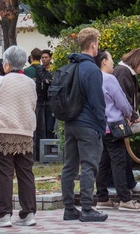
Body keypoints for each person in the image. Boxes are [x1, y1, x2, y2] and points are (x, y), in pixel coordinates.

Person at [0, 45, 39, 228]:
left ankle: (4, 214)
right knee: (26, 173)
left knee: (5, 174)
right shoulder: (30, 82)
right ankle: (28, 213)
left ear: (6, 64)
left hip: (1, 131)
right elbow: (33, 105)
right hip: (24, 131)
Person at [60, 27, 108, 223]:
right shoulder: (92, 70)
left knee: (69, 167)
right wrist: (102, 124)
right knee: (89, 165)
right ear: (93, 45)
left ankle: (69, 208)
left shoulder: (71, 65)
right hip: (88, 125)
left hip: (70, 123)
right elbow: (98, 102)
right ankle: (87, 208)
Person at [94, 50, 140, 212]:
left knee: (103, 163)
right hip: (114, 127)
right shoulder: (109, 79)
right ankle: (125, 199)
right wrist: (131, 114)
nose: (113, 63)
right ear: (104, 61)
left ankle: (102, 197)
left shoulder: (92, 78)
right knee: (119, 163)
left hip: (98, 127)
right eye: (110, 59)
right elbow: (121, 101)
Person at [112, 48, 140, 195]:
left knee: (120, 154)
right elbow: (123, 98)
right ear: (136, 62)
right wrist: (130, 115)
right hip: (119, 119)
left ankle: (127, 184)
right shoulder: (123, 72)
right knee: (119, 155)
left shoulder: (123, 71)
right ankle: (125, 186)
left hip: (121, 118)